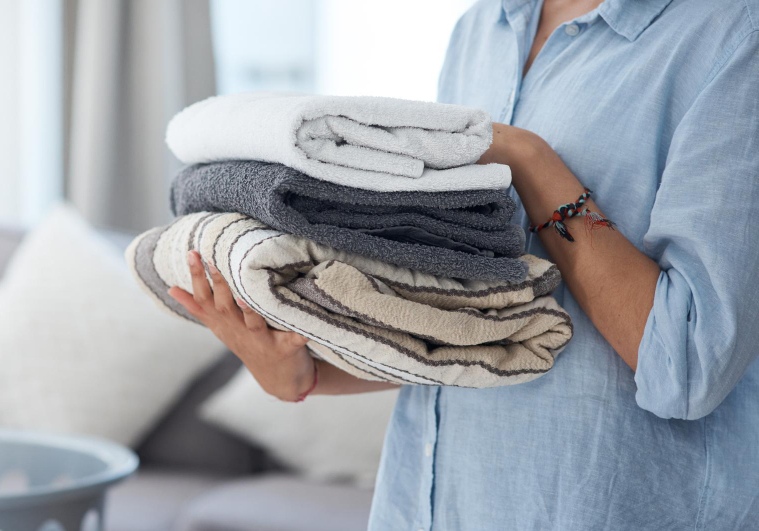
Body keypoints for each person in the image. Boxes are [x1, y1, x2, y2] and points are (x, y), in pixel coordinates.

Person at [169, 0, 759, 528]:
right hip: (426, 504)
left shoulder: (733, 34)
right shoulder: (484, 27)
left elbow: (687, 364)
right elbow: (471, 310)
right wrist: (310, 375)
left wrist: (529, 160)